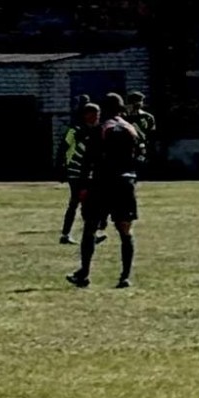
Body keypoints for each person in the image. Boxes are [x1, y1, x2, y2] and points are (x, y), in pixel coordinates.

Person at [69, 93, 141, 289]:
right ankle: (125, 277)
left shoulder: (101, 129)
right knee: (125, 231)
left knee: (90, 228)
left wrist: (83, 186)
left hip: (103, 182)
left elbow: (88, 160)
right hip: (126, 182)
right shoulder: (130, 129)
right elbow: (140, 155)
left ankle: (84, 274)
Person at [57, 102, 101, 244]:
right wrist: (61, 167)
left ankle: (90, 233)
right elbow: (63, 148)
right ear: (86, 115)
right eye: (94, 114)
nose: (97, 117)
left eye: (98, 114)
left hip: (88, 172)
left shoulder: (96, 131)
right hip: (75, 171)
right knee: (76, 202)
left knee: (88, 203)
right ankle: (66, 234)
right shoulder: (75, 130)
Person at [127, 91, 158, 166]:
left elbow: (152, 134)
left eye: (140, 101)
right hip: (128, 146)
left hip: (143, 146)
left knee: (142, 165)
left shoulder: (147, 117)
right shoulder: (125, 117)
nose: (139, 103)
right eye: (136, 101)